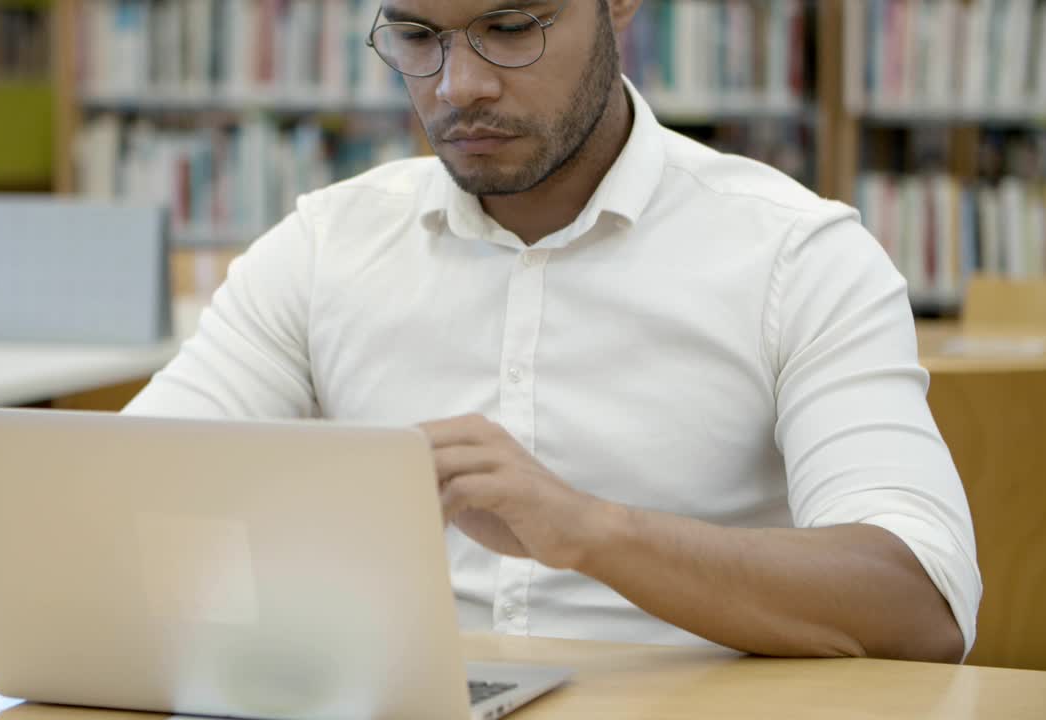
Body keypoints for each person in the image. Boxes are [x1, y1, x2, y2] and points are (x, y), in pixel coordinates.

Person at [124, 0, 980, 663]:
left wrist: (589, 531)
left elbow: (921, 605)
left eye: (508, 26)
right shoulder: (323, 245)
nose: (459, 86)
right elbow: (114, 504)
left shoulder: (798, 254)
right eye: (419, 37)